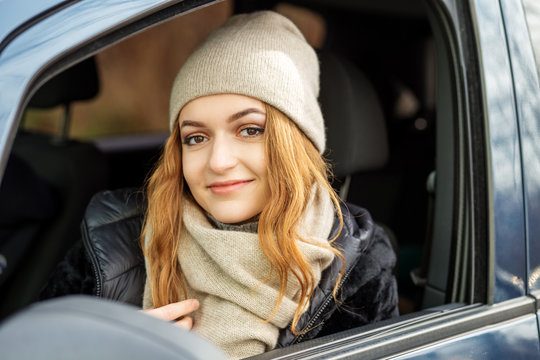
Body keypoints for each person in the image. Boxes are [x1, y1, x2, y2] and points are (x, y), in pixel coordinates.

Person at [40, 11, 398, 359]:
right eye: (196, 137)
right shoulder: (114, 241)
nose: (218, 161)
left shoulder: (358, 269)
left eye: (250, 130)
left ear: (297, 142)